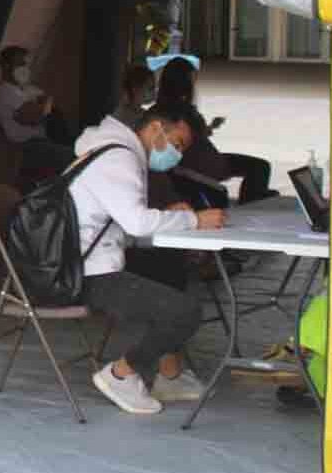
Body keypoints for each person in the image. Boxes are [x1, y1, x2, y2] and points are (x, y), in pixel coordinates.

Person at [71, 103, 227, 414]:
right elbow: (137, 224)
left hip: (88, 260)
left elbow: (121, 226)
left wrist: (167, 216)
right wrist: (195, 220)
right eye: (177, 144)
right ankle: (121, 374)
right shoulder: (119, 158)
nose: (177, 155)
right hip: (84, 274)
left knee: (167, 267)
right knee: (185, 312)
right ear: (156, 128)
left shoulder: (110, 149)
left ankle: (170, 374)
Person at [155, 57, 277, 205]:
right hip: (205, 163)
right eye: (192, 80)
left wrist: (210, 127)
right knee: (260, 167)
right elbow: (192, 135)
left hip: (199, 161)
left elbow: (193, 134)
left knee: (257, 167)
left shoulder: (161, 108)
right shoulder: (183, 110)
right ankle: (250, 200)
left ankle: (251, 197)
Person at [0, 46, 74, 172]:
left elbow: (51, 107)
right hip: (26, 147)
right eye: (20, 64)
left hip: (42, 142)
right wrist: (46, 101)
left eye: (27, 64)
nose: (25, 68)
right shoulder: (4, 91)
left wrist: (44, 103)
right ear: (6, 66)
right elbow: (34, 117)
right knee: (73, 159)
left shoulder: (26, 89)